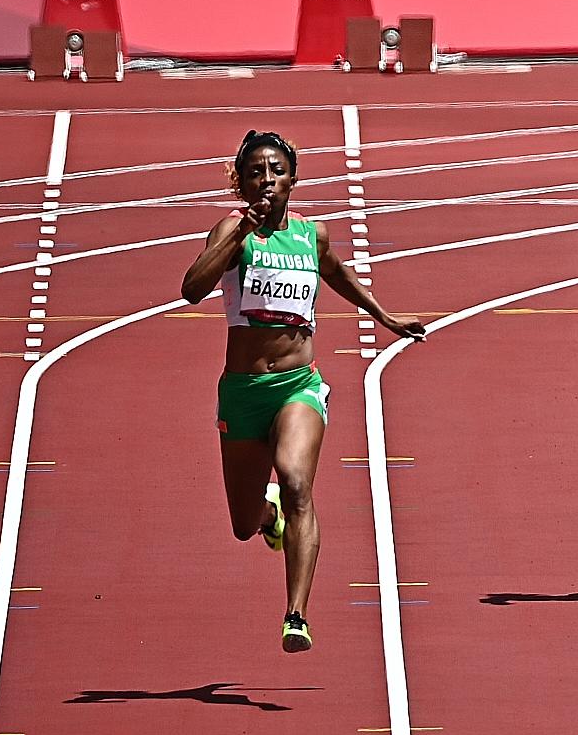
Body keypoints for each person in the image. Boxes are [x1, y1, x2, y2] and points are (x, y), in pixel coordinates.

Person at [180, 130, 425, 652]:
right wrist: (233, 235)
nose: (266, 180)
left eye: (276, 170)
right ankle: (269, 520)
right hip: (244, 392)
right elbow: (192, 289)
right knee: (245, 524)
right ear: (240, 182)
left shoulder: (312, 237)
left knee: (296, 481)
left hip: (299, 386)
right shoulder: (232, 230)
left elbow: (339, 276)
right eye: (254, 172)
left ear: (293, 177)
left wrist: (384, 316)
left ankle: (296, 613)